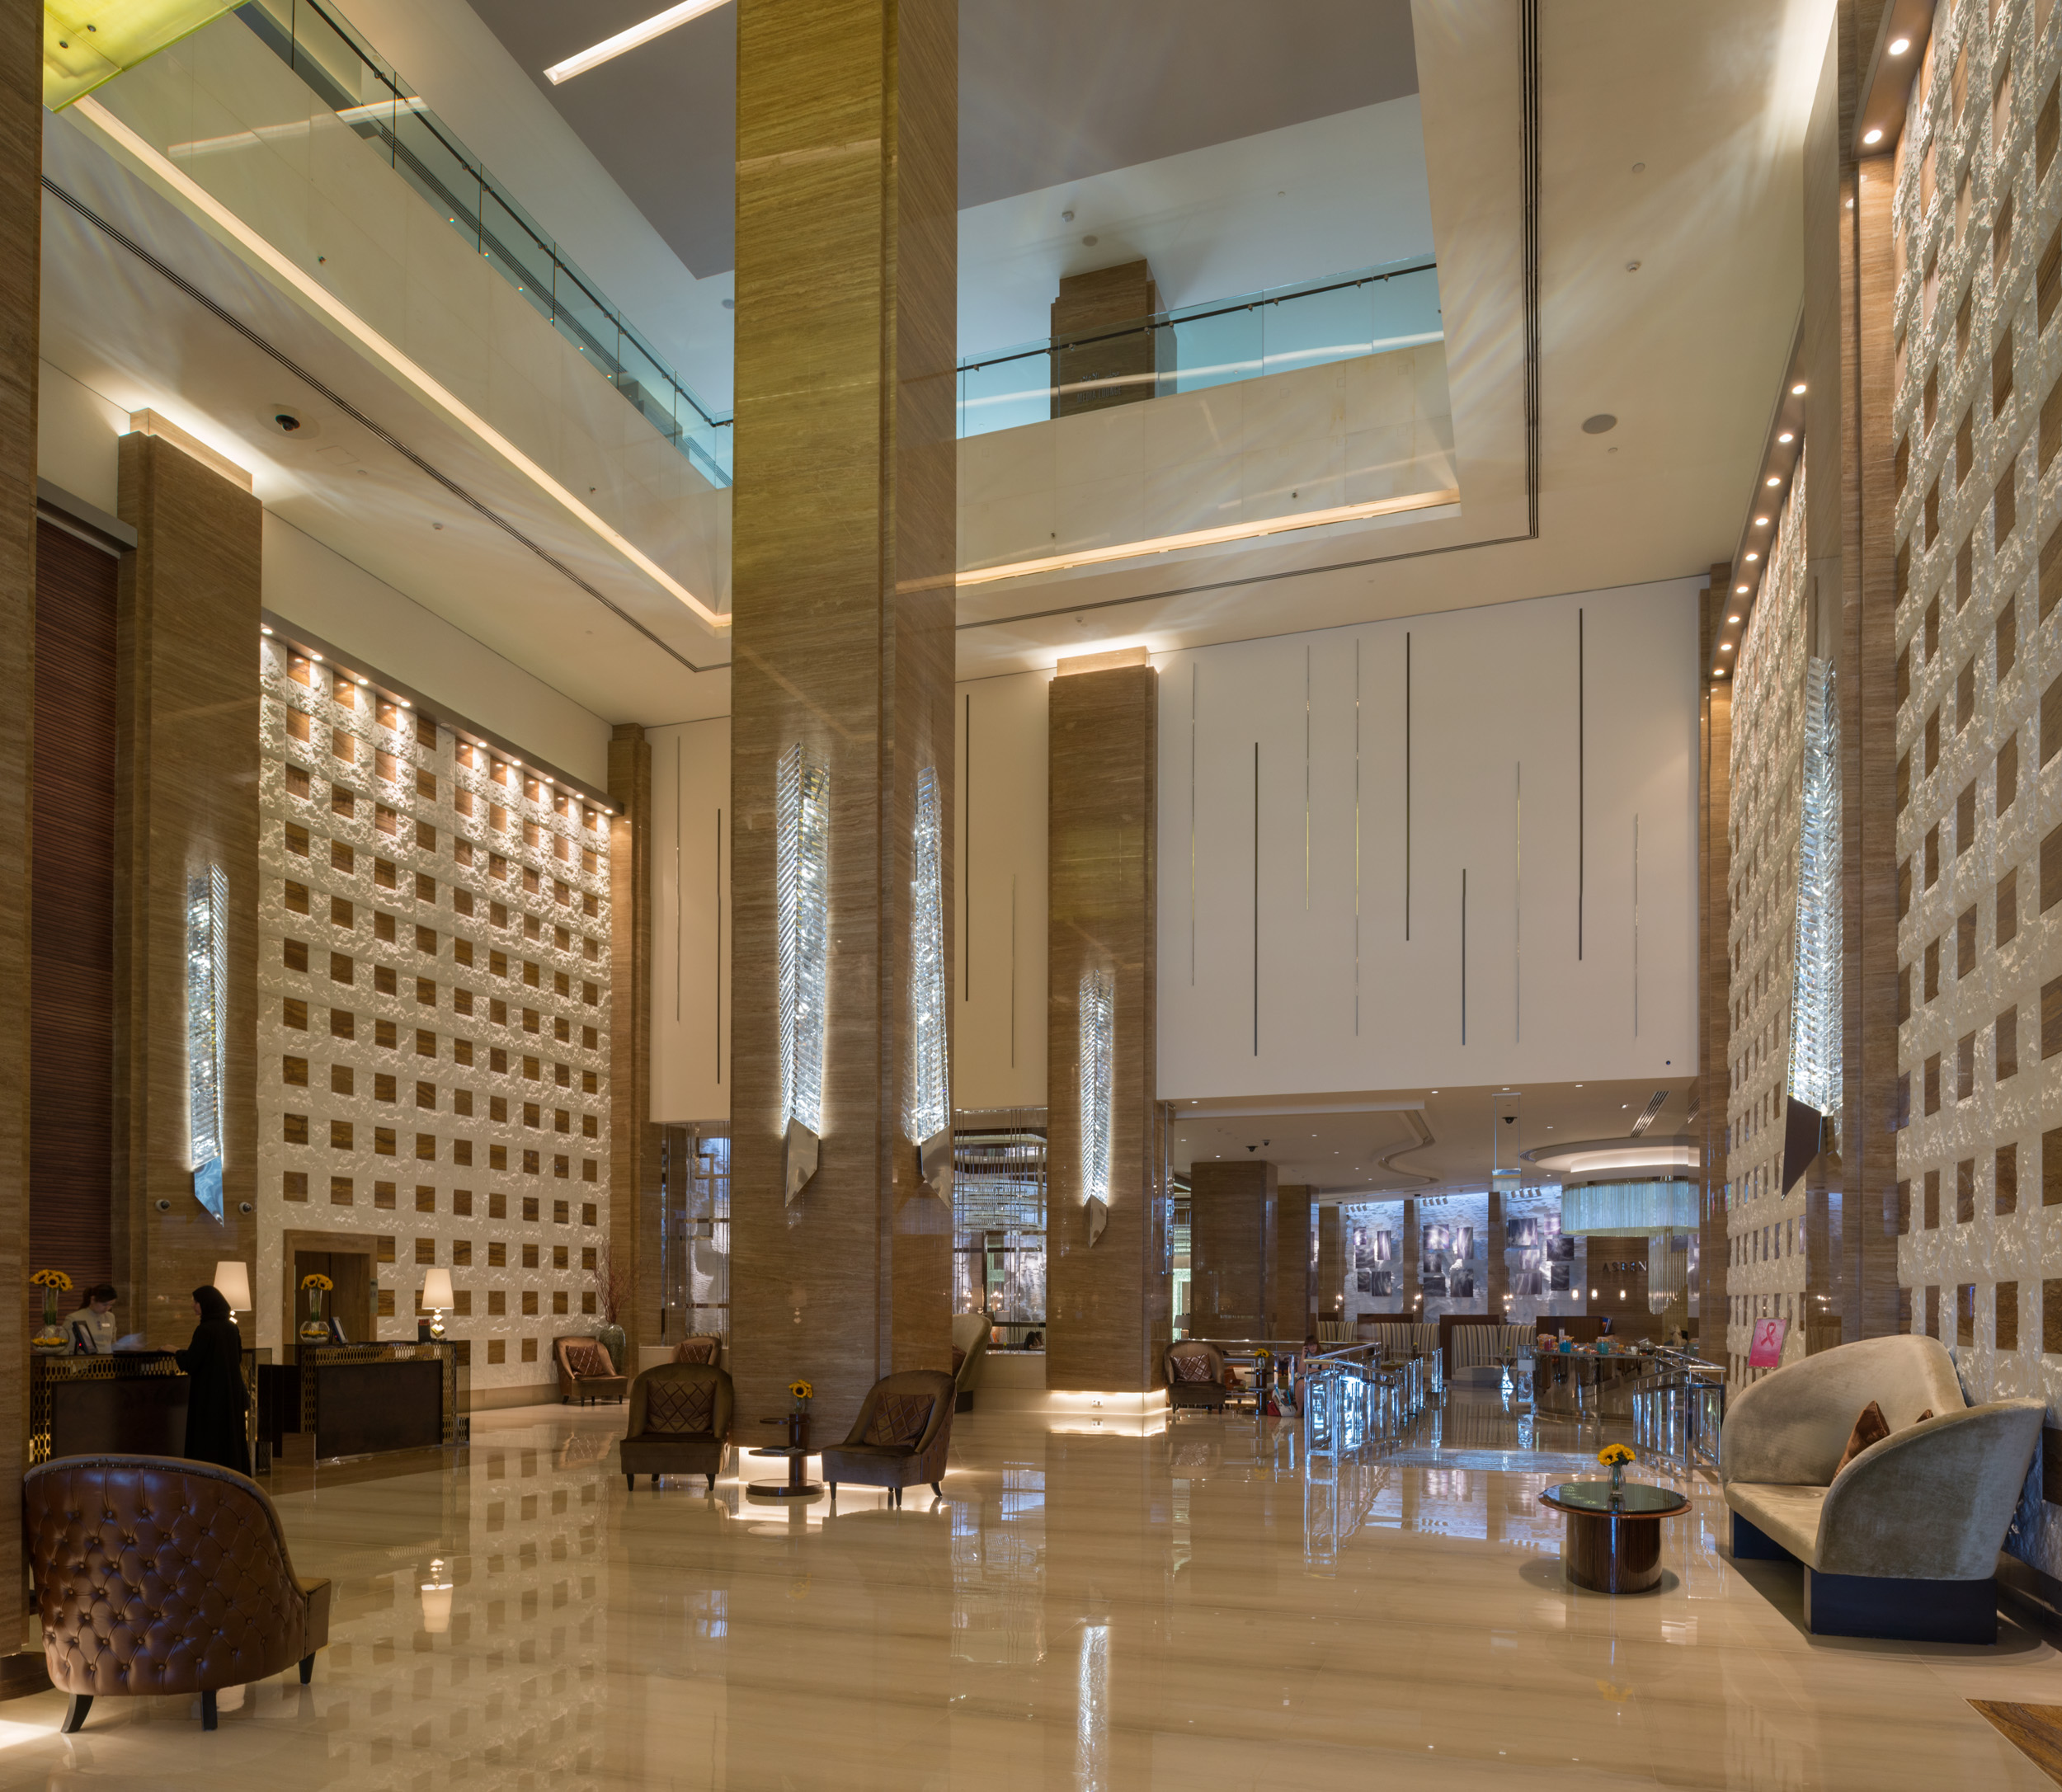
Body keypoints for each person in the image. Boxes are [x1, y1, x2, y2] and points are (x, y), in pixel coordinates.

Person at [175, 1285, 250, 1476]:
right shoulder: (232, 1328)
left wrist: (175, 1352)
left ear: (206, 1303)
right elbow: (237, 1358)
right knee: (228, 1436)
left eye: (196, 1302)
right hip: (230, 1393)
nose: (193, 1306)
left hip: (208, 1394)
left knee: (207, 1438)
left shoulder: (205, 1330)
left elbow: (191, 1362)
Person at [64, 1284, 118, 1354]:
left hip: (107, 1360)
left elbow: (113, 1343)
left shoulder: (110, 1317)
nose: (107, 1308)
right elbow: (68, 1349)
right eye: (104, 1304)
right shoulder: (74, 1318)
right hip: (85, 1360)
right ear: (92, 1300)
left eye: (111, 1305)